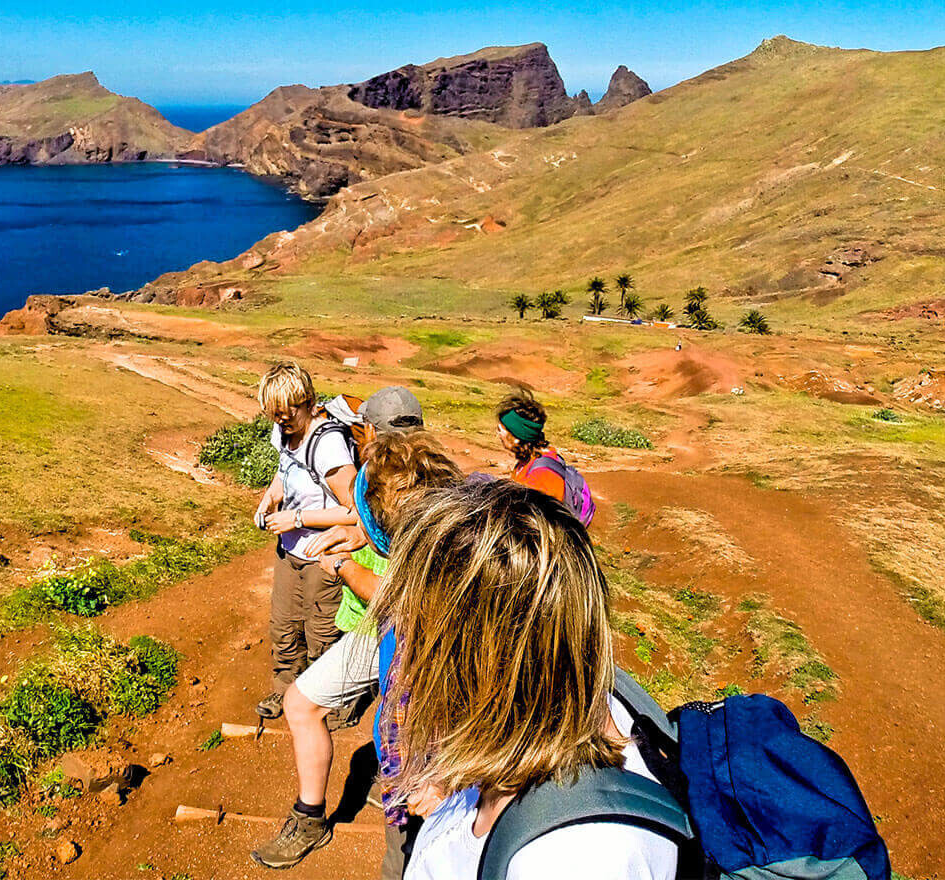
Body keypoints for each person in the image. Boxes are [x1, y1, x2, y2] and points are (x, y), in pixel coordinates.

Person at [372, 481, 677, 880]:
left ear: (479, 665)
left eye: (416, 631)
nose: (405, 653)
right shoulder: (572, 697)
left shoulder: (577, 859)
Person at [251, 408, 460, 870]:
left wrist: (345, 566)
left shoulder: (429, 546)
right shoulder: (420, 480)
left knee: (407, 842)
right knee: (303, 700)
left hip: (401, 634)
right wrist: (354, 534)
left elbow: (402, 597)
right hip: (384, 630)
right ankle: (311, 814)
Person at [254, 362, 359, 721]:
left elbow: (354, 511)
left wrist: (297, 518)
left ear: (308, 402)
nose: (282, 421)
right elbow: (286, 473)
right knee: (284, 626)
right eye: (275, 414)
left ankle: (334, 702)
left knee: (322, 632)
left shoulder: (328, 445)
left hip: (324, 553)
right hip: (290, 550)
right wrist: (269, 499)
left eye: (288, 413)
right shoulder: (282, 432)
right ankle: (286, 690)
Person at [494, 386, 566, 502]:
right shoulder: (528, 460)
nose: (498, 435)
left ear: (516, 436)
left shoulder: (541, 476)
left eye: (500, 430)